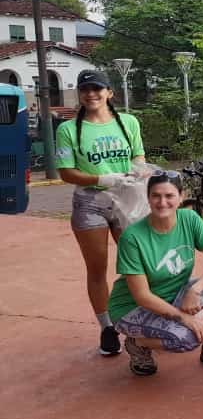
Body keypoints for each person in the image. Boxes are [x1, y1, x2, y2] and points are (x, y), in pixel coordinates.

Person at [110, 171, 203, 376]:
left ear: (181, 197)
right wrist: (187, 319)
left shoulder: (189, 219)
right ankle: (137, 343)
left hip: (174, 294)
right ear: (148, 198)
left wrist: (196, 290)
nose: (162, 202)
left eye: (169, 195)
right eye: (156, 196)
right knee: (186, 338)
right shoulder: (132, 237)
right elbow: (142, 296)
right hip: (132, 308)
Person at [56, 69, 146, 357]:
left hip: (126, 200)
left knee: (137, 263)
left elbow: (138, 155)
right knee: (97, 268)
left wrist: (138, 169)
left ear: (110, 92)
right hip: (90, 202)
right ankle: (107, 327)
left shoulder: (128, 122)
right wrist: (101, 179)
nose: (91, 94)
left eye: (97, 89)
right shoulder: (68, 129)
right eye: (85, 90)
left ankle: (145, 317)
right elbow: (66, 172)